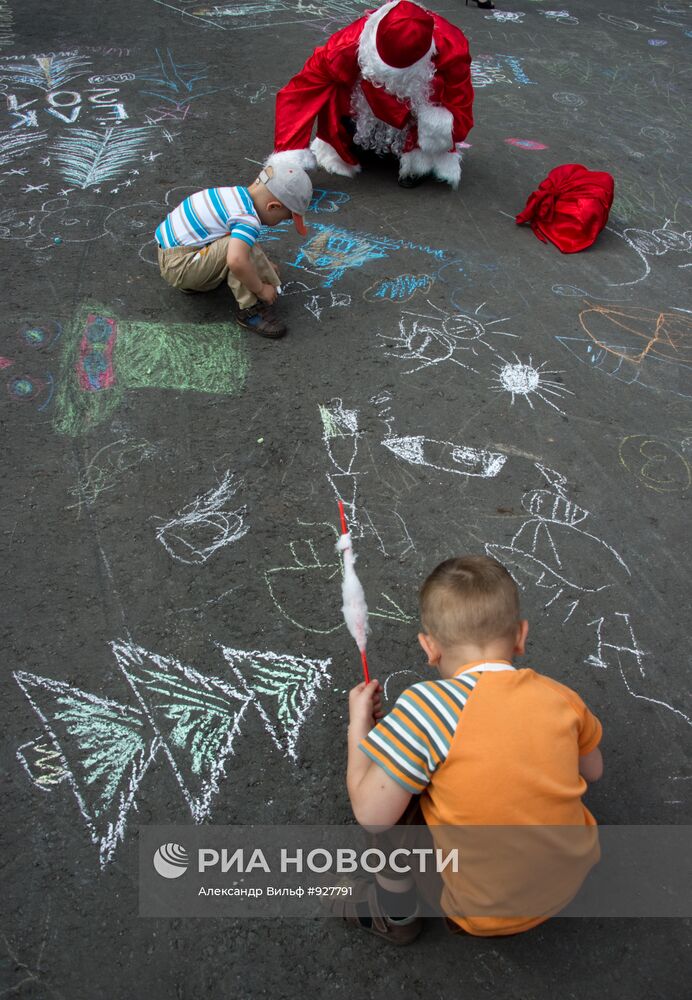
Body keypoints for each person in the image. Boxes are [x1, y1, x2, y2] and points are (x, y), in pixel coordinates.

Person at [338, 555, 603, 942]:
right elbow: (593, 770)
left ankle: (394, 916)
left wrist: (358, 730)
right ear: (521, 636)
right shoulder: (561, 697)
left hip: (483, 913)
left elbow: (371, 814)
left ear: (429, 648)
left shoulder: (426, 707)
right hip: (570, 881)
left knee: (393, 807)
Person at [268, 0, 474, 189]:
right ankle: (352, 139)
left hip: (413, 111)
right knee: (334, 86)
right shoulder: (349, 42)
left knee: (438, 101)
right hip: (364, 102)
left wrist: (440, 134)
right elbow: (303, 90)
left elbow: (460, 105)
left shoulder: (451, 47)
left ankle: (420, 159)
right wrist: (289, 155)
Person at [155, 163, 312, 339]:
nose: (281, 222)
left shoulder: (234, 196)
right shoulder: (248, 220)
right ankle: (250, 310)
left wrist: (263, 264)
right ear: (273, 207)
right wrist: (261, 289)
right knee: (239, 254)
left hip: (172, 255)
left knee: (241, 244)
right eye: (284, 218)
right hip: (180, 267)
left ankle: (198, 281)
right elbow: (237, 260)